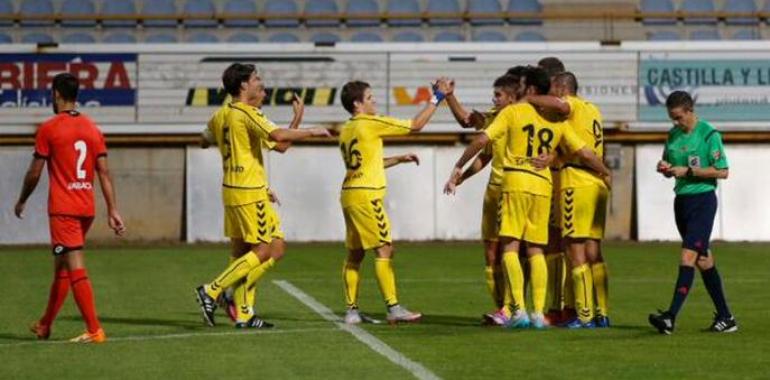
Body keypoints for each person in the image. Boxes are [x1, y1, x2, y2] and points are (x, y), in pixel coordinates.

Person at [446, 67, 611, 329]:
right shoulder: (559, 120)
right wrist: (605, 171)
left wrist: (458, 167)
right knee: (538, 250)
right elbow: (585, 152)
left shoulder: (516, 112)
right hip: (545, 185)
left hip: (516, 183)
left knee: (511, 247)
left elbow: (481, 140)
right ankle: (541, 313)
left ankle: (519, 310)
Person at [195, 63, 330, 328]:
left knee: (248, 252)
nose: (260, 82)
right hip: (248, 190)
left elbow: (204, 139)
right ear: (243, 85)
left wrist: (296, 121)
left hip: (235, 188)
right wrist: (312, 130)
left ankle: (244, 314)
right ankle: (212, 290)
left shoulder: (221, 114)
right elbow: (278, 135)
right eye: (256, 78)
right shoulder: (247, 113)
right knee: (264, 249)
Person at [15, 72, 126, 343]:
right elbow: (105, 173)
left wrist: (22, 199)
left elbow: (34, 172)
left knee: (73, 264)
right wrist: (112, 210)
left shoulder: (49, 128)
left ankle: (94, 329)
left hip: (63, 210)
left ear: (56, 94)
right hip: (86, 207)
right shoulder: (92, 128)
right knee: (62, 267)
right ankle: (45, 325)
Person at [339, 79, 450, 325]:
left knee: (355, 254)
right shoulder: (370, 123)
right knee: (384, 249)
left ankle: (352, 311)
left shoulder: (346, 128)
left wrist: (398, 159)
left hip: (349, 193)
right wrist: (437, 97)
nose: (374, 100)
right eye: (369, 97)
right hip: (367, 195)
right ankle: (393, 307)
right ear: (357, 104)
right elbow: (416, 125)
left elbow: (365, 162)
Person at [648, 90, 737, 334]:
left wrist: (688, 171)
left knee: (687, 256)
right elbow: (669, 163)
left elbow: (723, 171)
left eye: (678, 117)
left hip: (702, 202)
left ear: (690, 111)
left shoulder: (709, 134)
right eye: (672, 118)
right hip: (682, 202)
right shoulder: (673, 135)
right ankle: (726, 317)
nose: (675, 122)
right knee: (703, 260)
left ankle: (670, 317)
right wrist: (664, 168)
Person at [442, 72, 526, 326]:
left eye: (498, 95)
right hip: (494, 191)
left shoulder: (524, 117)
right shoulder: (494, 117)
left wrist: (458, 167)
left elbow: (478, 141)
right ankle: (502, 308)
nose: (494, 99)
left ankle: (514, 308)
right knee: (491, 253)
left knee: (514, 252)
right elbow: (475, 134)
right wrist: (450, 97)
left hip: (514, 190)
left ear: (512, 97)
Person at [529, 72, 611, 328]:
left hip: (576, 183)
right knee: (593, 252)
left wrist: (528, 98)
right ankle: (601, 313)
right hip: (596, 183)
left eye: (552, 89)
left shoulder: (570, 105)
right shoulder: (593, 110)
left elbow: (561, 106)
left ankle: (583, 316)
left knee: (574, 251)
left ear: (562, 89)